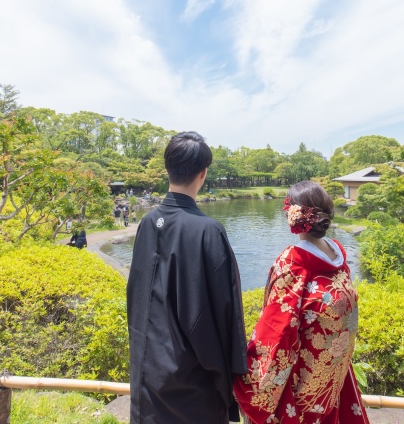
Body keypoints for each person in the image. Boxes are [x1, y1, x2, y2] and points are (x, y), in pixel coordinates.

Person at [127, 131, 248, 424]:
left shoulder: (147, 222)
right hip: (193, 385)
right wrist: (233, 381)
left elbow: (136, 297)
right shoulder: (208, 230)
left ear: (168, 168)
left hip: (147, 375)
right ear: (203, 173)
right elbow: (226, 313)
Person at [234, 181, 368, 424]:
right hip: (331, 379)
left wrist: (248, 382)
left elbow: (277, 331)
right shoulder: (337, 256)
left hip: (301, 388)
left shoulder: (293, 263)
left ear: (293, 217)